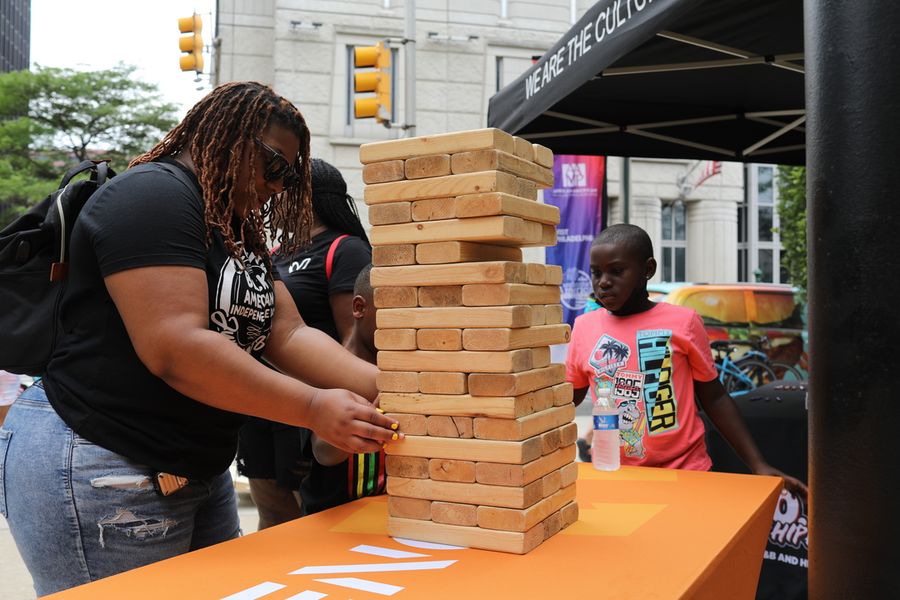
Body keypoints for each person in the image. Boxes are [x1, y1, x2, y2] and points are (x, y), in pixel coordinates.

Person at [0, 81, 399, 597]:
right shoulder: (153, 195)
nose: (279, 184)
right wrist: (315, 408)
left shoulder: (234, 229)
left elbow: (288, 332)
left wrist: (395, 389)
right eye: (274, 164)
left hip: (191, 466)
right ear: (224, 135)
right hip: (106, 457)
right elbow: (177, 346)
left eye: (291, 174)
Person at [566, 224, 807, 497]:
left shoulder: (684, 322)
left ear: (648, 269)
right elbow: (567, 398)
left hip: (684, 472)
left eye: (617, 271)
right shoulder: (584, 327)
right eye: (597, 272)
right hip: (613, 474)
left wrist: (757, 464)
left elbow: (714, 397)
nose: (604, 282)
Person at [237, 158, 372, 528]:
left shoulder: (346, 250)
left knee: (309, 525)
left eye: (282, 189)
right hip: (263, 405)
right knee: (272, 519)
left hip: (313, 411)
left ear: (303, 197)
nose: (271, 197)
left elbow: (354, 339)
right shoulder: (274, 255)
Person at [300, 264, 386, 514]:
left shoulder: (409, 370)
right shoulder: (325, 371)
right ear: (359, 307)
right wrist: (367, 416)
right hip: (332, 519)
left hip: (390, 516)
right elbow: (323, 453)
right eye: (393, 310)